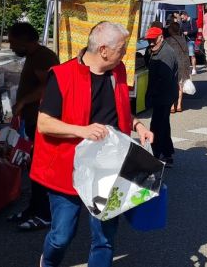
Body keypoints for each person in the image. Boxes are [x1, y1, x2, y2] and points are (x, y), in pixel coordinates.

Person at [32, 22, 153, 267]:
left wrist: (138, 125)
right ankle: (48, 262)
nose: (125, 53)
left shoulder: (117, 72)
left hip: (108, 169)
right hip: (68, 169)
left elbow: (120, 112)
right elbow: (44, 124)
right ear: (104, 50)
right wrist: (82, 131)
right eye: (122, 48)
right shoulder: (62, 75)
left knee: (104, 238)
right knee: (61, 236)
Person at [3, 22, 61, 231]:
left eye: (12, 42)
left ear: (24, 40)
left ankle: (44, 214)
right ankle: (34, 209)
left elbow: (49, 86)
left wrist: (24, 101)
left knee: (41, 170)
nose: (10, 47)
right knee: (34, 168)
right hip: (33, 121)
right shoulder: (34, 56)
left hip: (42, 122)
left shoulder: (42, 56)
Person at [145, 26, 180, 167]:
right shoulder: (153, 50)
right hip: (160, 94)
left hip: (164, 94)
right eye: (149, 40)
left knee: (158, 124)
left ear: (160, 37)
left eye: (153, 40)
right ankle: (167, 154)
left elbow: (164, 79)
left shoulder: (166, 53)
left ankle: (157, 154)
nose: (151, 43)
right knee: (162, 123)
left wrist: (152, 95)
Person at [166, 23, 191, 113]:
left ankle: (172, 106)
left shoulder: (168, 40)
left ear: (171, 30)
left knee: (171, 86)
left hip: (171, 64)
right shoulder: (183, 40)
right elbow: (186, 54)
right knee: (180, 85)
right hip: (182, 64)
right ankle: (179, 105)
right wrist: (188, 67)